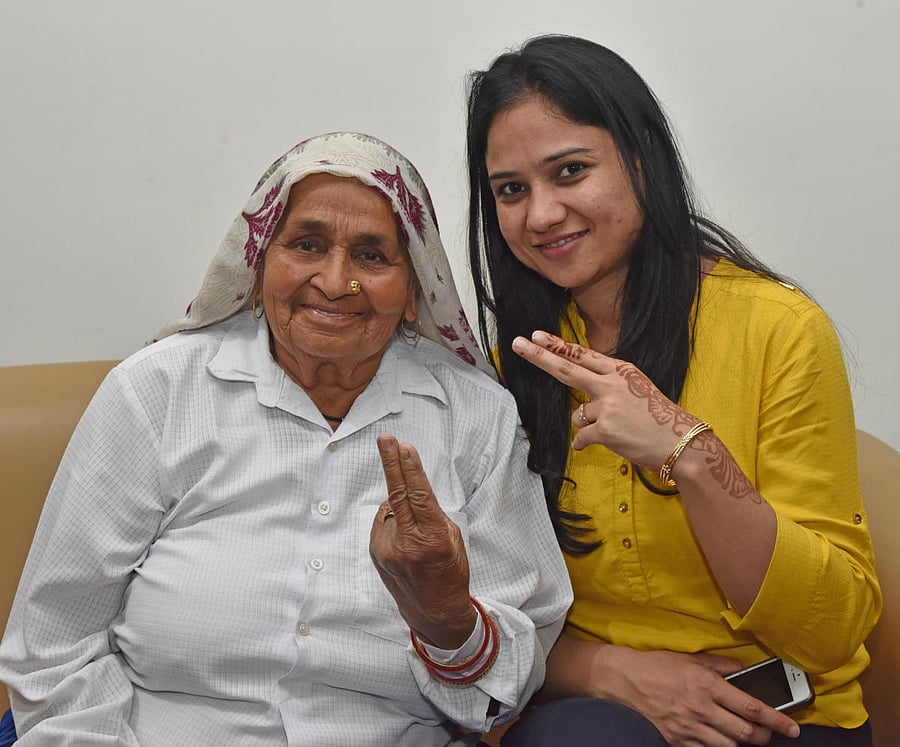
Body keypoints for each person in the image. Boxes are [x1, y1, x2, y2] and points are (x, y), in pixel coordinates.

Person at [0, 132, 573, 746]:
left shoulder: (475, 417)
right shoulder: (157, 391)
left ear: (414, 292)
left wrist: (446, 617)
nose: (335, 281)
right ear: (259, 264)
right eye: (306, 245)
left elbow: (508, 687)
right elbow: (56, 643)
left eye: (373, 257)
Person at [465, 35, 881, 747]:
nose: (539, 215)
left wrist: (688, 452)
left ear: (640, 158)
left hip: (776, 713)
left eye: (570, 171)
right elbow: (497, 613)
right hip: (595, 712)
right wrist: (610, 671)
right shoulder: (520, 360)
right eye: (511, 190)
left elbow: (833, 630)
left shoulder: (777, 328)